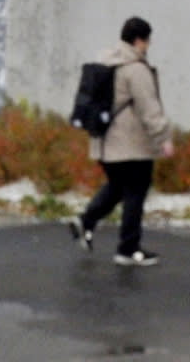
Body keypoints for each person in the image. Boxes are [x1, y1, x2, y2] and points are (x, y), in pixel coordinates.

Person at [70, 15, 172, 267]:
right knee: (135, 192)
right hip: (132, 146)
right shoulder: (136, 69)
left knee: (117, 187)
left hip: (104, 144)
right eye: (147, 41)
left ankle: (86, 221)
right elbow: (149, 108)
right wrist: (163, 137)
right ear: (139, 40)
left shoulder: (107, 62)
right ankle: (128, 249)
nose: (148, 46)